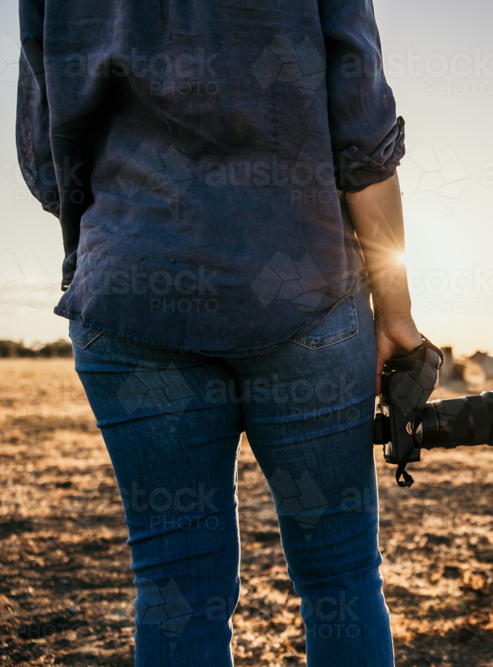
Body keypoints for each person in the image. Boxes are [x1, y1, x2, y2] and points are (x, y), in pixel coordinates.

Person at [16, 0, 418, 664]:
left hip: (129, 290)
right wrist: (396, 308)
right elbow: (362, 128)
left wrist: (112, 240)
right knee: (340, 575)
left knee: (177, 586)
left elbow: (44, 151)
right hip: (302, 282)